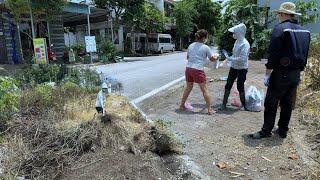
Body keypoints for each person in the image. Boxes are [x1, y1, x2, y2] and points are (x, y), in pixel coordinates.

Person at [250, 2, 311, 139]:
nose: (278, 16)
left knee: (271, 102)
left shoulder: (280, 29)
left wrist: (267, 72)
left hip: (281, 72)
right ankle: (283, 130)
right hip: (296, 73)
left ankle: (266, 131)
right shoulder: (305, 31)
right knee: (287, 103)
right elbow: (305, 53)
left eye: (278, 13)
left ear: (282, 14)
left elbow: (274, 53)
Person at [180, 29, 219, 115]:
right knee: (204, 90)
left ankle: (182, 105)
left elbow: (187, 57)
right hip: (198, 70)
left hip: (188, 68)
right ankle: (209, 109)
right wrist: (217, 57)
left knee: (188, 88)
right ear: (204, 37)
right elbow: (212, 59)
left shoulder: (191, 45)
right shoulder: (205, 47)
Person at [220, 23, 250, 110]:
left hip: (242, 68)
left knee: (240, 86)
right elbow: (234, 54)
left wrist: (231, 59)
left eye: (235, 32)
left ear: (240, 32)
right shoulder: (237, 41)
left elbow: (243, 58)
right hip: (233, 67)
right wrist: (229, 58)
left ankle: (244, 105)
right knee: (228, 84)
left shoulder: (245, 44)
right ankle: (224, 104)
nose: (234, 34)